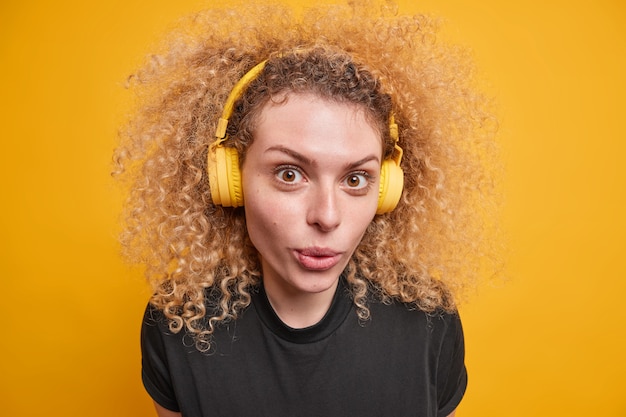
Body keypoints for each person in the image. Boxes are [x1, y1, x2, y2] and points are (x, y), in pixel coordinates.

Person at [114, 2, 499, 416]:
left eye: (355, 179)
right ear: (230, 178)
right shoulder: (178, 323)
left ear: (386, 191)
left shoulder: (429, 322)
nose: (327, 216)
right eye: (289, 174)